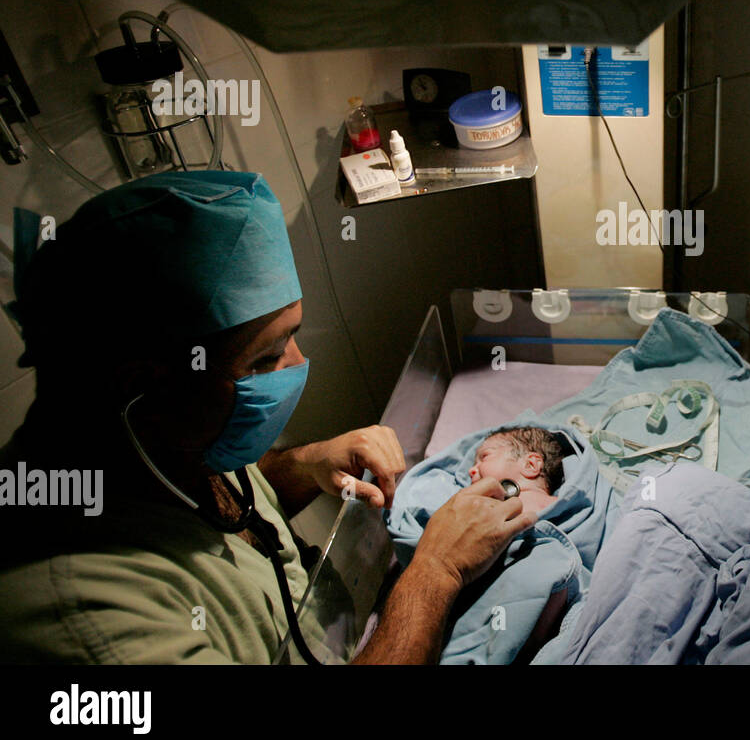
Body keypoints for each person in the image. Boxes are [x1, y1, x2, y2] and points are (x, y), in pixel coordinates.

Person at [0, 170, 534, 663]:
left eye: (292, 337)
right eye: (265, 358)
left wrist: (303, 465)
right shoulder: (87, 622)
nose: (297, 367)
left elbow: (222, 511)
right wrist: (435, 572)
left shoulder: (167, 439)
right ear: (140, 383)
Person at [468, 427, 570, 519]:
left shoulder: (569, 505)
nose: (470, 470)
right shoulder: (482, 512)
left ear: (530, 465)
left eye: (484, 456)